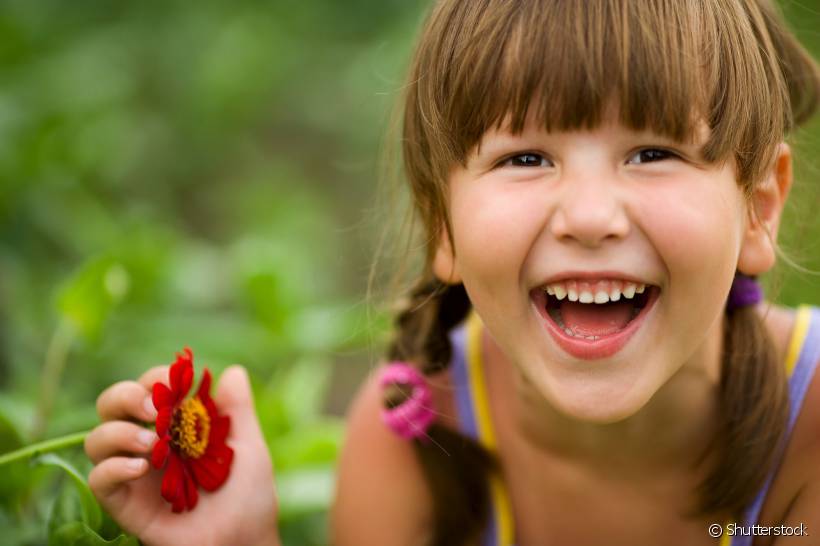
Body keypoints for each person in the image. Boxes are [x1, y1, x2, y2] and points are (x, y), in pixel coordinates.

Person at [83, 0, 820, 544]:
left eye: (653, 153)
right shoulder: (412, 442)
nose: (591, 216)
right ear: (443, 225)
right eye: (525, 158)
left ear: (759, 209)